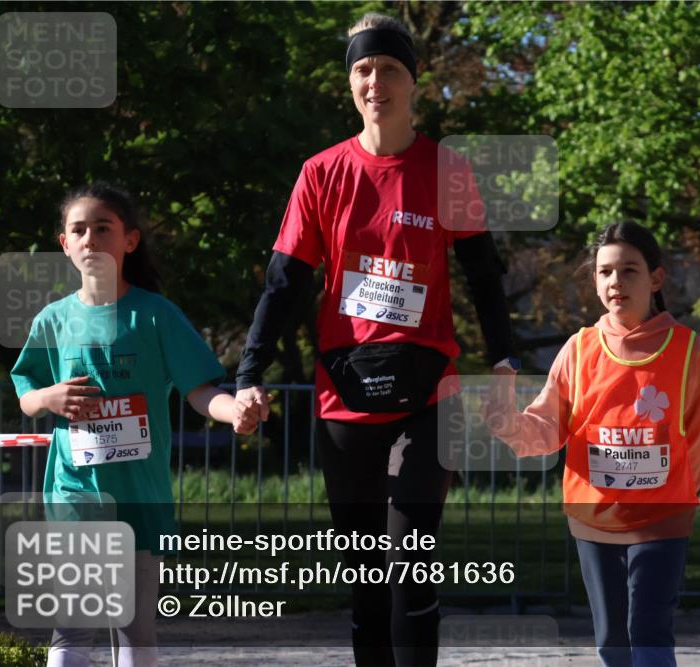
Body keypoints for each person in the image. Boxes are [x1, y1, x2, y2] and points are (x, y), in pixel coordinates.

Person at [233, 12, 515, 667]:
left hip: (429, 397)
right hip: (345, 397)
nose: (375, 81)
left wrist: (503, 359)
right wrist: (250, 372)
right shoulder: (322, 173)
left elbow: (484, 274)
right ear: (350, 82)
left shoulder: (447, 171)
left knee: (409, 556)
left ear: (413, 81)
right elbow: (285, 284)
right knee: (366, 577)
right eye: (363, 69)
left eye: (389, 69)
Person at [11, 182, 258, 667]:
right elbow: (26, 394)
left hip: (140, 498)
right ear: (64, 244)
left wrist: (237, 413)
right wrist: (48, 397)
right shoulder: (53, 320)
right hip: (73, 494)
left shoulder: (156, 315)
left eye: (103, 228)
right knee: (72, 629)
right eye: (78, 230)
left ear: (130, 240)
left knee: (134, 627)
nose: (90, 239)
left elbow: (201, 391)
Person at [483, 221, 700, 667]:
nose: (616, 282)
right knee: (611, 637)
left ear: (656, 279)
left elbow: (695, 436)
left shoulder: (688, 350)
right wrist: (507, 422)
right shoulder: (578, 349)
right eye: (605, 272)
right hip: (592, 516)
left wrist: (677, 496)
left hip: (661, 517)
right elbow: (547, 428)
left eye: (629, 270)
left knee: (648, 629)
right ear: (594, 281)